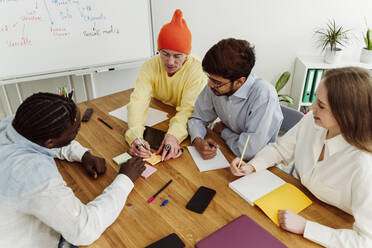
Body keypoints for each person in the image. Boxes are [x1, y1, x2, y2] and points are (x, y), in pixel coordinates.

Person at [230, 67, 372, 247]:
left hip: (330, 228)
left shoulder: (364, 165)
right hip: (294, 204)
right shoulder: (311, 122)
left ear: (347, 114)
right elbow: (281, 149)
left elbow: (366, 241)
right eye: (315, 99)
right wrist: (252, 166)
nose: (311, 108)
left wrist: (306, 227)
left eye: (321, 105)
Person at [0, 93, 145, 248]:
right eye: (74, 132)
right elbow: (84, 231)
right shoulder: (34, 175)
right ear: (50, 142)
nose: (77, 135)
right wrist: (125, 179)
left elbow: (40, 141)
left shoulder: (13, 124)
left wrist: (83, 155)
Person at [125, 9, 207, 161]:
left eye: (177, 56)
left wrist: (174, 135)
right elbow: (138, 101)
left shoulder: (197, 69)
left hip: (182, 120)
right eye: (165, 54)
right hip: (160, 112)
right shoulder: (150, 65)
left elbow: (188, 109)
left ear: (187, 55)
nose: (170, 62)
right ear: (159, 51)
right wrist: (134, 134)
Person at [188, 38, 283, 160]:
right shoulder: (216, 85)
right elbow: (198, 117)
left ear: (239, 82)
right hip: (227, 152)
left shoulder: (264, 96)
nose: (210, 85)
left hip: (259, 164)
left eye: (216, 82)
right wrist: (197, 140)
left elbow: (249, 151)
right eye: (209, 78)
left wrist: (224, 132)